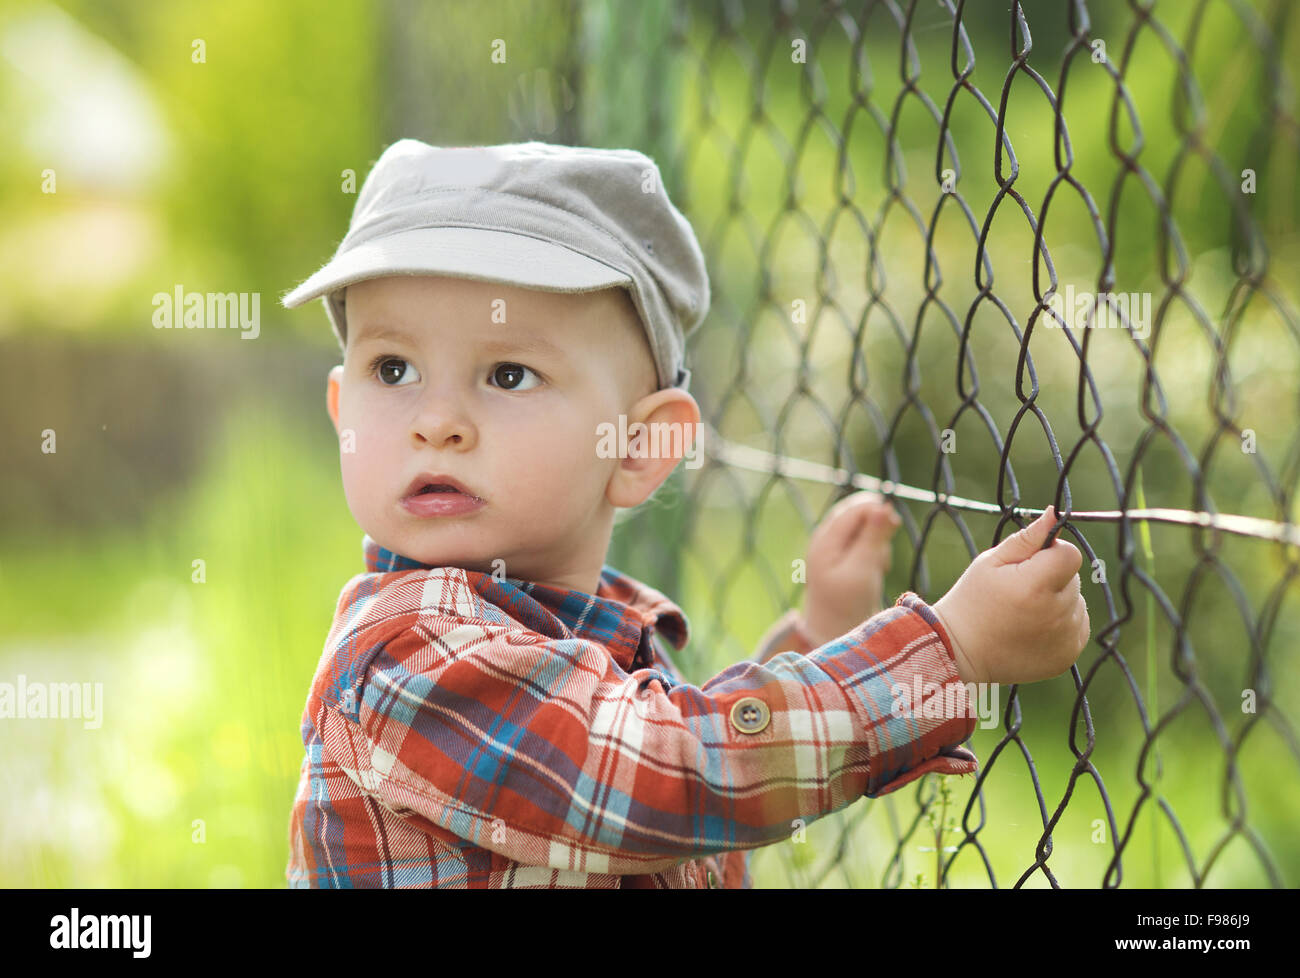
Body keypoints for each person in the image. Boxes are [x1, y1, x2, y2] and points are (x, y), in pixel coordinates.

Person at [279, 138, 1089, 888]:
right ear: (342, 408)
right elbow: (667, 774)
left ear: (638, 447)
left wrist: (818, 645)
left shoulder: (568, 632)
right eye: (394, 368)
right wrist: (947, 656)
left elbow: (674, 756)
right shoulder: (410, 651)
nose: (437, 419)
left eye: (508, 375)